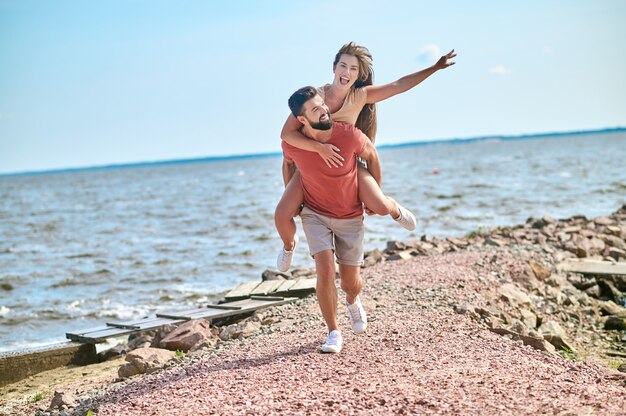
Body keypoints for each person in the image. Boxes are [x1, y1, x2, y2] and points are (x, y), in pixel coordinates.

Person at [275, 42, 456, 272]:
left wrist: (434, 67)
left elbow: (398, 85)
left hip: (346, 162)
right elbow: (286, 134)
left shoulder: (360, 96)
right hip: (311, 164)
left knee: (379, 205)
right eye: (343, 65)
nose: (347, 72)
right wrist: (319, 149)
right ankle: (289, 246)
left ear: (359, 74)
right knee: (283, 214)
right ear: (334, 68)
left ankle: (394, 208)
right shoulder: (314, 98)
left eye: (353, 68)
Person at [282, 86, 380, 353]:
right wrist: (295, 198)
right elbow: (288, 162)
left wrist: (374, 196)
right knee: (324, 269)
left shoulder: (347, 135)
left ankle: (352, 299)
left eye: (322, 105)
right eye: (316, 109)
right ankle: (333, 332)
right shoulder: (292, 140)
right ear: (301, 119)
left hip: (349, 215)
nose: (325, 110)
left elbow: (372, 155)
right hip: (315, 214)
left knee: (350, 282)